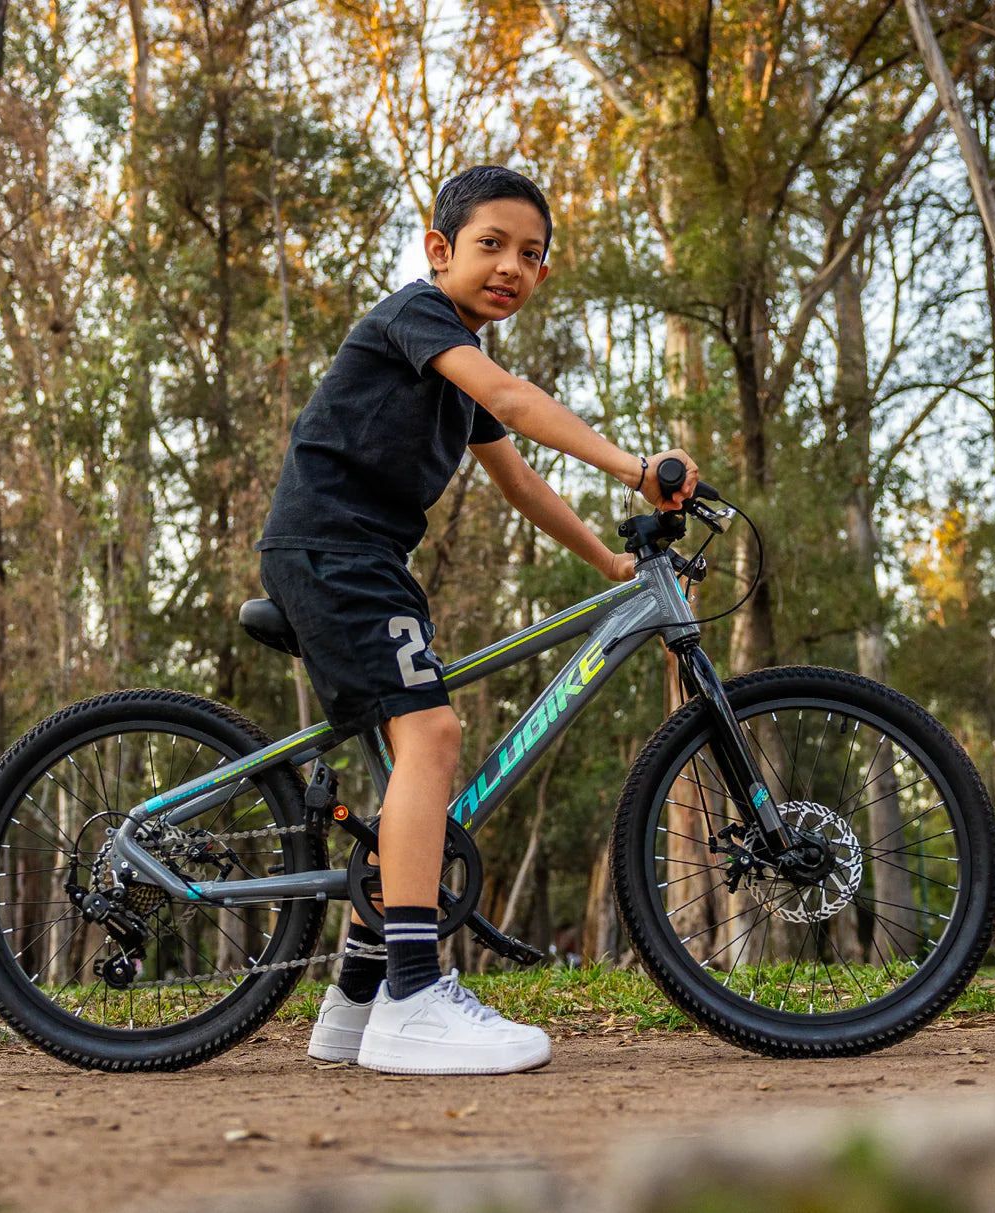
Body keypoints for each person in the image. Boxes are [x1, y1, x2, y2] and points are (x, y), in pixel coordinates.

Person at [256, 165, 698, 1075]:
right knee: (435, 735)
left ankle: (354, 1006)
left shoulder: (459, 367)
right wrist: (632, 467)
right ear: (439, 250)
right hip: (333, 552)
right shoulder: (416, 318)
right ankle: (415, 997)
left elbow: (521, 480)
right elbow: (514, 404)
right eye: (490, 244)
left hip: (363, 558)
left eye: (531, 255)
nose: (510, 266)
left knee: (412, 771)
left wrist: (612, 561)